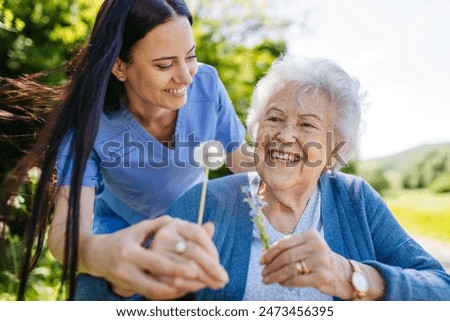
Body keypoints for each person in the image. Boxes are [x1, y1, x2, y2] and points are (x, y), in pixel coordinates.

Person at [2, 0, 252, 300]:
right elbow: (65, 233)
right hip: (118, 236)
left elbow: (244, 164)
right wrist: (102, 255)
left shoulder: (207, 86)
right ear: (119, 66)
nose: (186, 76)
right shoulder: (87, 124)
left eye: (191, 56)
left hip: (193, 229)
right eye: (164, 64)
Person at [163, 55, 450, 300]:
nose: (285, 136)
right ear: (255, 129)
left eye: (307, 124)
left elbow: (441, 289)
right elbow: (134, 294)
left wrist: (352, 277)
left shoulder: (355, 199)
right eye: (274, 118)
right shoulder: (204, 203)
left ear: (333, 149)